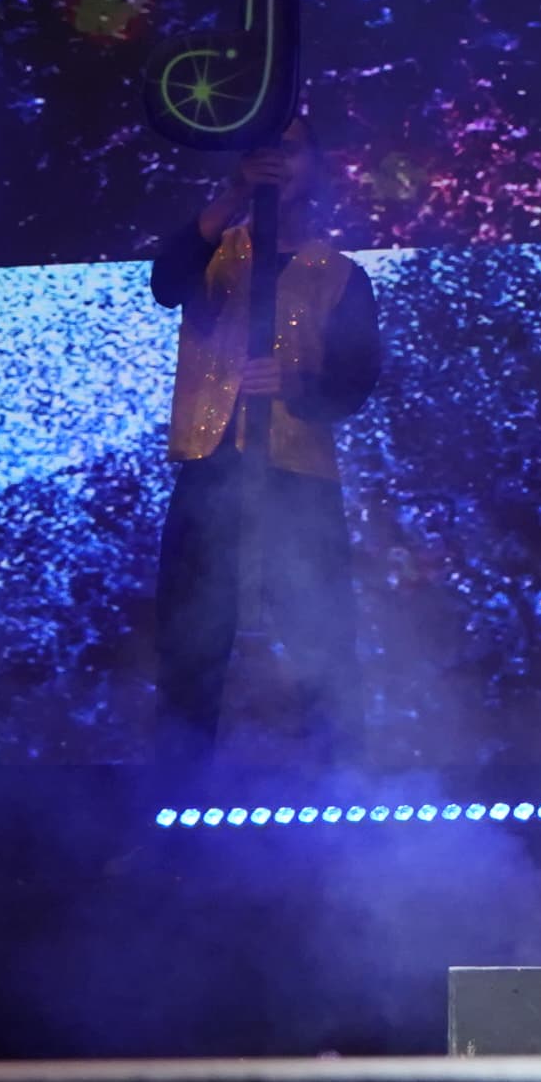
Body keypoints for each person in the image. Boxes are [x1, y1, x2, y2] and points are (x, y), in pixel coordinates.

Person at [148, 110, 385, 769]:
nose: (279, 161)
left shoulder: (339, 273)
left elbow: (357, 380)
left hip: (298, 479)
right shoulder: (215, 251)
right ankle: (173, 811)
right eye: (265, 150)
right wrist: (232, 196)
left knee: (322, 641)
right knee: (189, 644)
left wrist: (298, 378)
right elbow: (166, 283)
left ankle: (342, 806)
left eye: (294, 150)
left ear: (317, 168)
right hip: (210, 470)